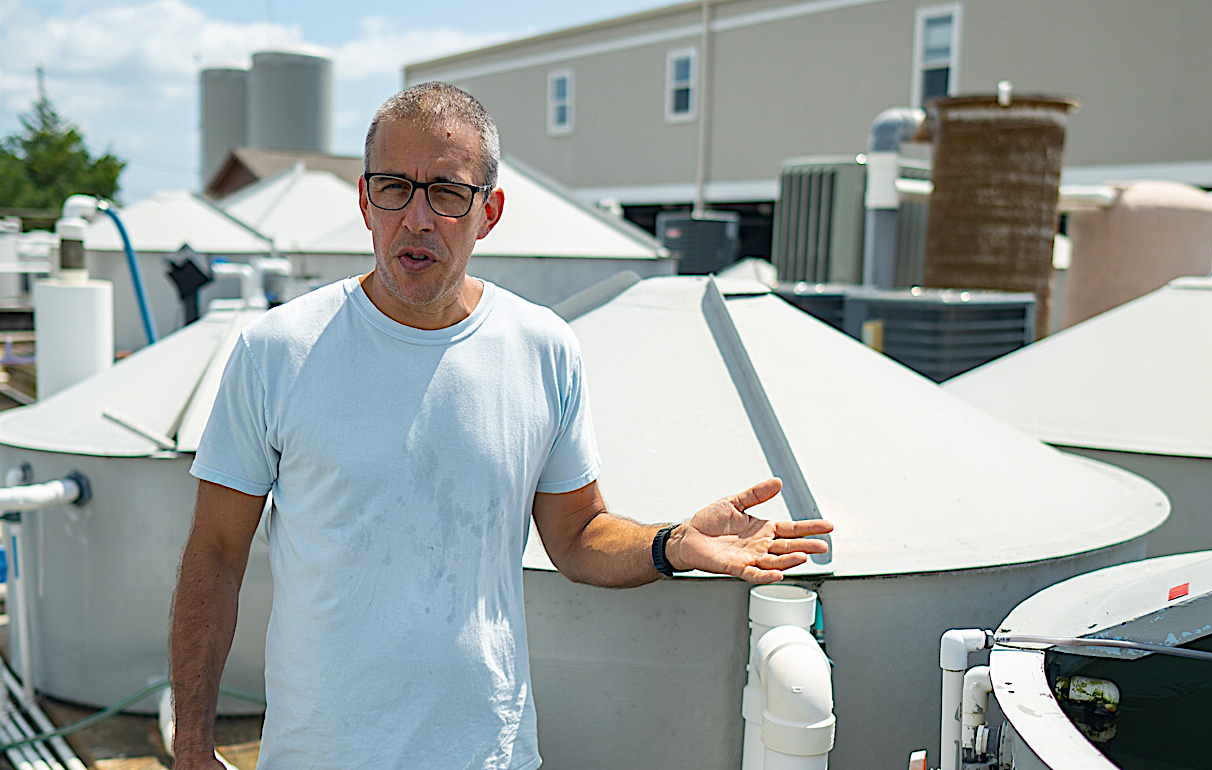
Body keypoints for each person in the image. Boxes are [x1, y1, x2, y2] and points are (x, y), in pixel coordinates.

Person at [169, 82, 832, 770]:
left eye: (448, 192)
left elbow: (577, 535)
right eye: (395, 188)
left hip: (488, 753)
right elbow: (215, 554)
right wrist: (192, 742)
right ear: (365, 201)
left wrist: (676, 543)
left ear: (489, 212)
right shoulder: (278, 351)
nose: (418, 217)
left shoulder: (541, 348)